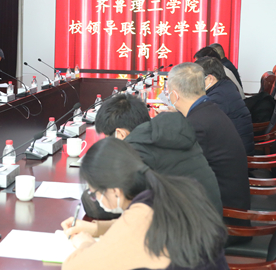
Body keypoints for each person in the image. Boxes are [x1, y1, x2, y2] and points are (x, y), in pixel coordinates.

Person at [61, 138, 242, 270]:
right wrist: (96, 228)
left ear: (114, 191)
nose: (96, 199)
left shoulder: (139, 221)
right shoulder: (178, 190)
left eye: (94, 193)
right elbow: (138, 228)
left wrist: (86, 244)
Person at [86, 94, 222, 219]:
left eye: (108, 139)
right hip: (208, 223)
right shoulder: (163, 133)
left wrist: (91, 190)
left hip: (189, 231)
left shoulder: (138, 149)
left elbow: (106, 206)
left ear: (120, 134)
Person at [166, 62, 251, 218]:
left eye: (167, 91)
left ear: (174, 95)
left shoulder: (198, 124)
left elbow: (176, 169)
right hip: (226, 201)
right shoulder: (208, 109)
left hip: (223, 215)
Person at [196, 56, 255, 155]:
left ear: (210, 78)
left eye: (196, 79)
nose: (194, 83)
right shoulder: (224, 86)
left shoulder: (219, 97)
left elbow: (200, 125)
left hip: (233, 156)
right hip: (233, 149)